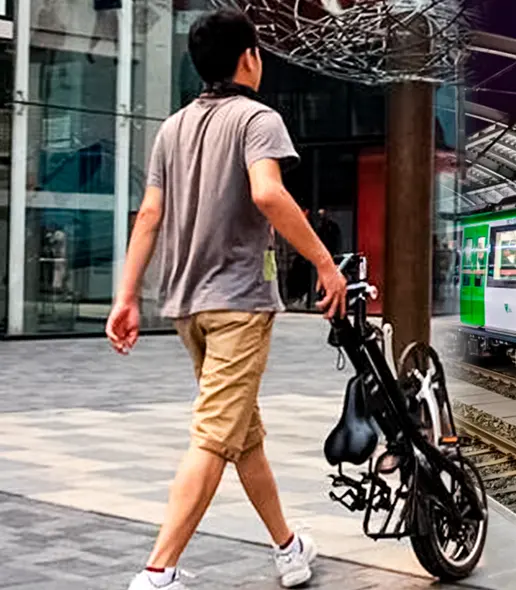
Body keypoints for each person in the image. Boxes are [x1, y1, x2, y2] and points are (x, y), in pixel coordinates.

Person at [105, 9, 347, 590]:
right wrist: (324, 262)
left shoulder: (173, 128)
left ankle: (289, 549)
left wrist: (126, 297)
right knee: (216, 435)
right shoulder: (257, 118)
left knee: (244, 435)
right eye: (259, 50)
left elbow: (150, 216)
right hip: (238, 302)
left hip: (188, 306)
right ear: (248, 58)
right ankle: (157, 573)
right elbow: (268, 193)